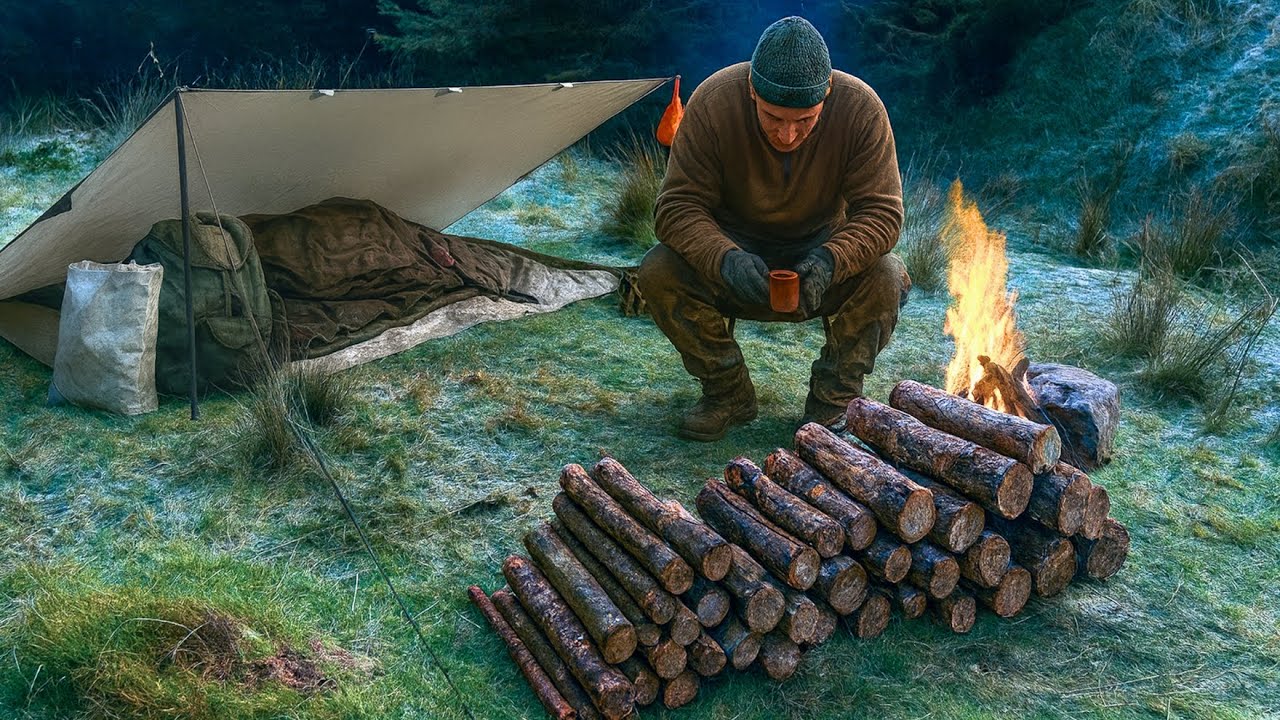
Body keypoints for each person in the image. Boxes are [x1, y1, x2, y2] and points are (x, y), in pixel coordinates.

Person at [637, 15, 910, 441]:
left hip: (820, 260)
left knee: (888, 274)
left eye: (805, 120)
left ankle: (833, 402)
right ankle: (727, 393)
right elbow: (676, 206)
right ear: (751, 91)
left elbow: (882, 213)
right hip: (734, 256)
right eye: (773, 117)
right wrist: (724, 259)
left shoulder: (861, 109)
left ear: (827, 94)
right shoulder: (713, 103)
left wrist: (830, 260)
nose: (787, 135)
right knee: (657, 269)